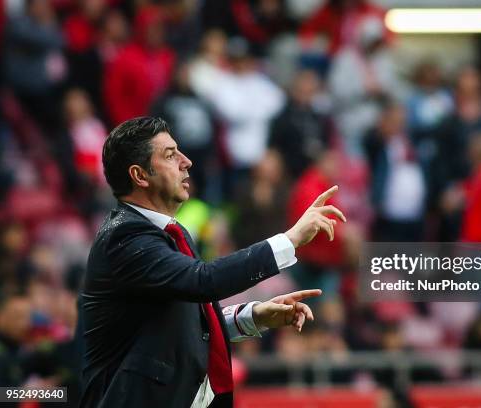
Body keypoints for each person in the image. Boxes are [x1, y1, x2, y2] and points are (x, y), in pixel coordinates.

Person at [79, 117, 346, 408]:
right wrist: (291, 239)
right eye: (170, 155)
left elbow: (178, 324)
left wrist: (252, 316)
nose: (187, 162)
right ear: (140, 175)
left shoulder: (169, 231)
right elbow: (203, 281)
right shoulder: (125, 237)